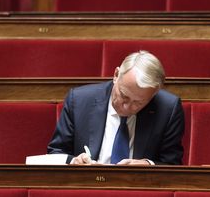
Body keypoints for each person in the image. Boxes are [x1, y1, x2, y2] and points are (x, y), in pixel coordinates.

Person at [47, 50, 185, 165]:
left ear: (154, 94)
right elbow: (56, 152)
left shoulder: (168, 109)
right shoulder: (79, 100)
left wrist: (148, 165)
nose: (128, 107)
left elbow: (172, 165)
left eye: (139, 102)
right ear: (116, 75)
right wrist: (74, 162)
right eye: (124, 96)